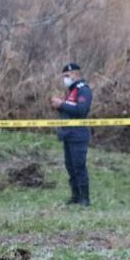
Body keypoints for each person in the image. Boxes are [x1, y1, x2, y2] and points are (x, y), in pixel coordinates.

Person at [51, 63, 93, 206]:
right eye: (64, 76)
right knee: (70, 166)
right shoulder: (72, 90)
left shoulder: (83, 90)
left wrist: (61, 104)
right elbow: (70, 111)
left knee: (79, 166)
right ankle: (75, 196)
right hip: (68, 134)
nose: (65, 79)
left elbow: (81, 110)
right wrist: (59, 107)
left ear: (75, 74)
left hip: (78, 135)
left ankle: (85, 199)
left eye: (67, 76)